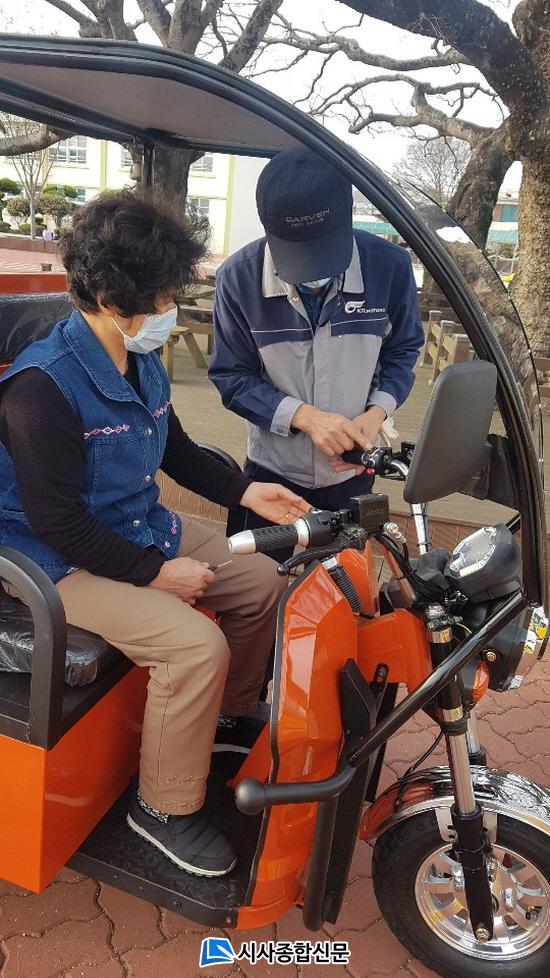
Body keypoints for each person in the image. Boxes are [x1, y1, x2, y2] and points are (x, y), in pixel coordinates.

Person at [0, 192, 309, 878]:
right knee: (194, 646)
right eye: (164, 297)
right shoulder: (40, 389)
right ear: (112, 299)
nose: (171, 309)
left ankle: (221, 721)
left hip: (136, 526)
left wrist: (245, 491)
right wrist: (156, 574)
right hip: (53, 561)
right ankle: (162, 809)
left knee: (261, 580)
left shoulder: (137, 359)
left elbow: (176, 448)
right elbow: (56, 522)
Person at [209, 148, 425, 562]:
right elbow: (230, 377)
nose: (312, 273)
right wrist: (305, 418)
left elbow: (403, 350)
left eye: (322, 252)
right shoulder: (238, 278)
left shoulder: (389, 267)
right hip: (273, 471)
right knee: (260, 585)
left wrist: (376, 413)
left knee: (345, 588)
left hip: (350, 472)